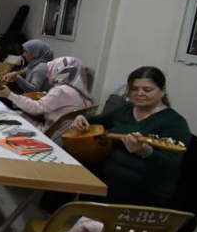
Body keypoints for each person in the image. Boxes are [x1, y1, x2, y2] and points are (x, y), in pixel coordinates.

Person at [71, 66, 190, 207]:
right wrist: (80, 118)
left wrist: (145, 151)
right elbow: (95, 121)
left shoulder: (174, 122)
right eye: (134, 89)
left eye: (147, 90)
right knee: (68, 167)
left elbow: (170, 165)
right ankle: (54, 213)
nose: (139, 94)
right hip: (105, 173)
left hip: (140, 188)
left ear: (162, 91)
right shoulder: (126, 110)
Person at [0, 56, 95, 141]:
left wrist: (9, 95)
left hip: (46, 135)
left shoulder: (61, 91)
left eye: (50, 72)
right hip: (61, 137)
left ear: (60, 72)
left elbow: (36, 108)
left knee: (12, 115)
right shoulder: (80, 93)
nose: (47, 75)